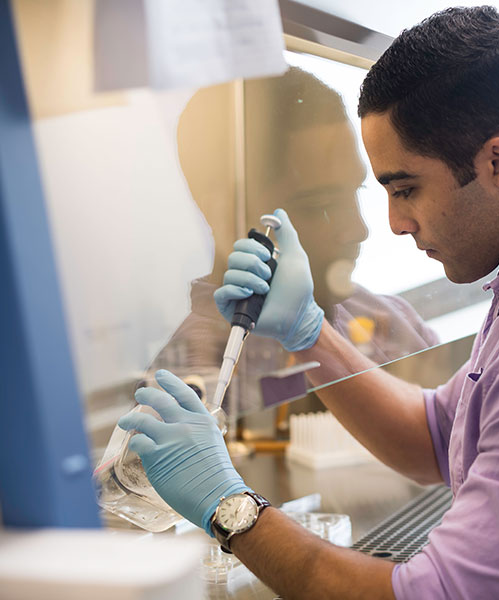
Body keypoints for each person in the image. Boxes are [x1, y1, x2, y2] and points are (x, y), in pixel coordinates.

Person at [119, 6, 499, 599]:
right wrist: (309, 333)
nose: (391, 224)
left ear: (497, 162)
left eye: (405, 188)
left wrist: (231, 508)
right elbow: (434, 435)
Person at [146, 67, 438, 415]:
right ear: (225, 213)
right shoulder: (183, 392)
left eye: (355, 191)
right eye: (321, 206)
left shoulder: (392, 321)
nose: (358, 229)